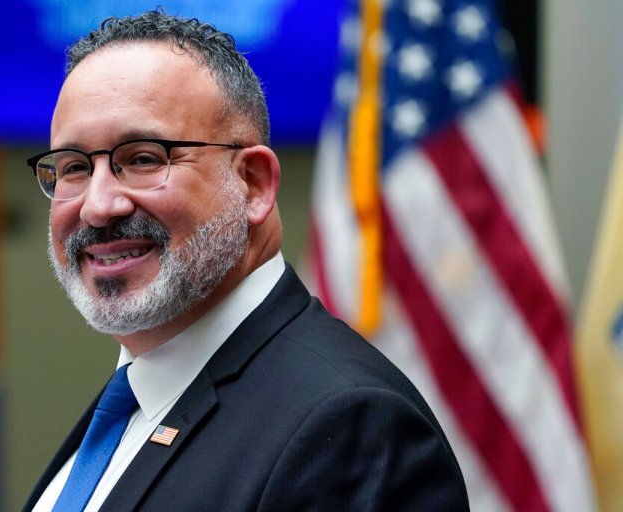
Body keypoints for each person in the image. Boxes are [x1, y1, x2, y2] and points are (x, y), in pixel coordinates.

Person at [23, 10, 469, 511]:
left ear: (253, 184)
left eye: (144, 158)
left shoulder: (349, 427)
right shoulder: (132, 402)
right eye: (74, 168)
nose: (98, 206)